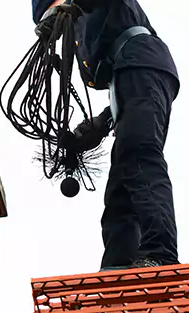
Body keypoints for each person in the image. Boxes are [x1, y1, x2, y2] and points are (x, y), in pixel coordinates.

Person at [31, 0, 181, 271]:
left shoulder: (86, 7)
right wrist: (100, 124)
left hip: (141, 64)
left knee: (139, 158)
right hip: (130, 77)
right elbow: (124, 86)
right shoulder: (80, 29)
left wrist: (72, 5)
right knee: (119, 189)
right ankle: (117, 267)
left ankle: (161, 253)